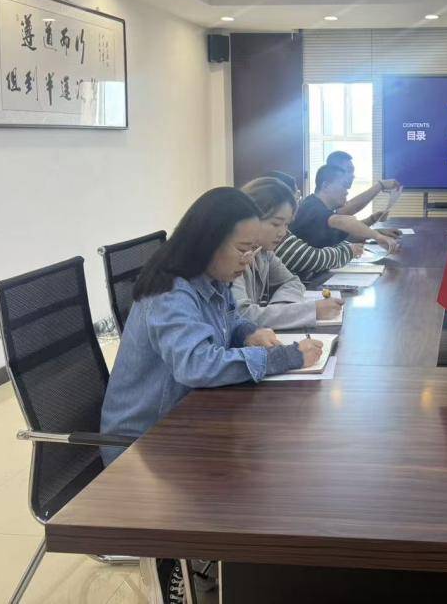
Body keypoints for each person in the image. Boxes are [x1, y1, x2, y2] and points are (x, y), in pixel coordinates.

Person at [100, 187, 324, 461]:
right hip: (142, 445)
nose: (248, 259)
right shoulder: (170, 293)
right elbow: (196, 365)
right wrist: (282, 358)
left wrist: (248, 332)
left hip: (186, 417)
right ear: (208, 243)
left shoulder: (213, 277)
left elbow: (231, 318)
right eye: (243, 249)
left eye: (253, 249)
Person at [233, 177, 345, 328]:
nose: (283, 232)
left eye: (286, 224)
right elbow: (241, 316)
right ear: (250, 217)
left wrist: (282, 309)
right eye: (276, 224)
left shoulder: (264, 252)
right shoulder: (231, 257)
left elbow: (292, 282)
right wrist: (309, 311)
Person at [266, 171, 363, 280]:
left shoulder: (279, 234)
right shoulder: (312, 208)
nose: (298, 205)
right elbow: (313, 258)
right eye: (296, 198)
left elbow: (291, 282)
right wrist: (349, 250)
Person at [291, 164, 400, 253]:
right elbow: (341, 221)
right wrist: (377, 236)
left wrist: (373, 222)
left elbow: (348, 236)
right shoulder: (312, 207)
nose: (346, 192)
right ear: (325, 186)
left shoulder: (324, 211)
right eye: (343, 185)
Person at [325, 151, 401, 220]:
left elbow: (344, 227)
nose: (353, 176)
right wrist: (380, 185)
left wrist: (372, 219)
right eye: (349, 170)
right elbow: (341, 213)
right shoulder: (323, 200)